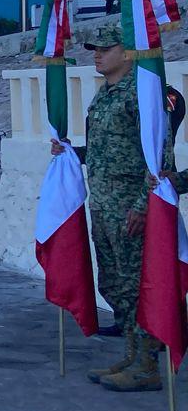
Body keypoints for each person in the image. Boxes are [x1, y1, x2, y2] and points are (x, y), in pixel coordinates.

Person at [51, 24, 178, 391]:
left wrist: (142, 205)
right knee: (113, 283)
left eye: (104, 49)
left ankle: (147, 365)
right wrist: (71, 153)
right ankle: (132, 353)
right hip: (103, 204)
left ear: (126, 53)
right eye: (94, 49)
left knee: (137, 285)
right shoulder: (103, 95)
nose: (97, 55)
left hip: (129, 206)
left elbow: (159, 159)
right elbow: (104, 150)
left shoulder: (142, 94)